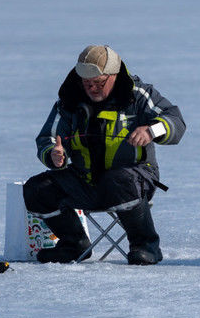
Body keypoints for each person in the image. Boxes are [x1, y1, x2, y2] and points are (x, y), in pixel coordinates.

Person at [23, 45, 186, 265]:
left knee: (118, 180)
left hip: (135, 178)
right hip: (85, 180)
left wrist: (151, 130)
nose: (92, 88)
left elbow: (175, 119)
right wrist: (53, 153)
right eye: (87, 83)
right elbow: (48, 138)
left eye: (99, 83)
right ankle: (74, 244)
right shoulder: (69, 102)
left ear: (114, 75)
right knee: (36, 189)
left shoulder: (136, 96)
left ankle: (146, 246)